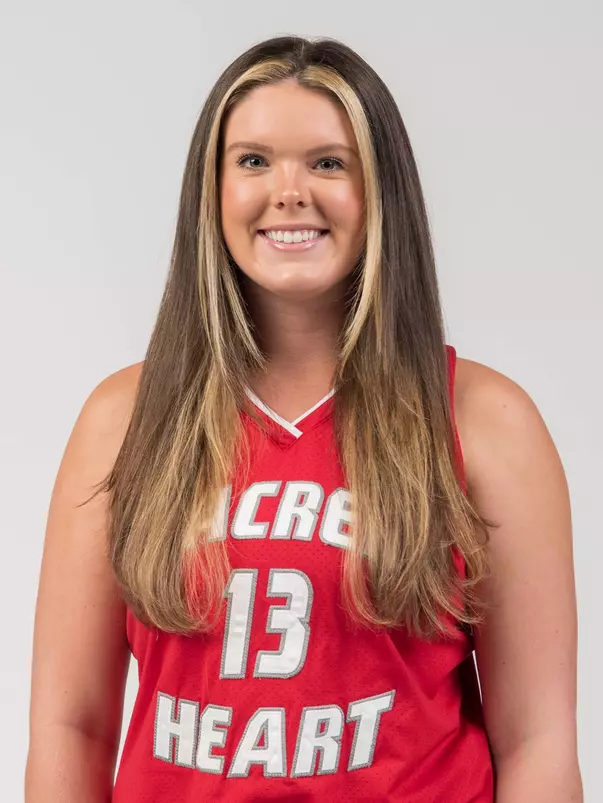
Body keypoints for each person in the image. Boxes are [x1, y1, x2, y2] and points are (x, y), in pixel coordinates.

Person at [25, 34, 582, 802]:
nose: (289, 190)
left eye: (327, 162)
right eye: (253, 161)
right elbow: (72, 724)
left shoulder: (485, 421)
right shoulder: (123, 419)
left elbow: (538, 741)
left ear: (378, 189)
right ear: (212, 191)